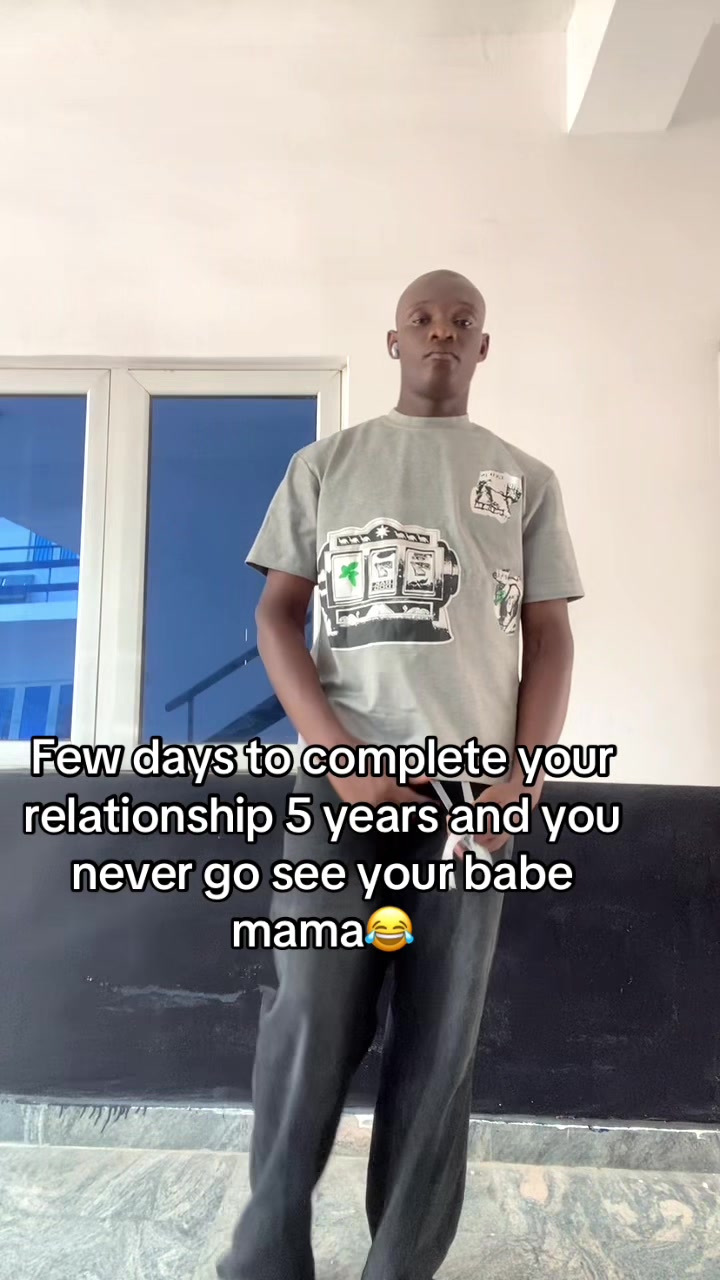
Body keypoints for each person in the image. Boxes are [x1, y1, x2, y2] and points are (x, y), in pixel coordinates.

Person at [216, 269, 584, 1280]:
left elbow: (550, 636)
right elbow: (275, 617)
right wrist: (339, 759)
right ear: (393, 340)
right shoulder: (327, 465)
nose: (441, 331)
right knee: (308, 1018)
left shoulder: (524, 479)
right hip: (341, 790)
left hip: (471, 797)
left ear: (483, 346)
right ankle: (264, 1257)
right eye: (423, 318)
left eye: (462, 321)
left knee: (440, 1039)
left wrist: (524, 774)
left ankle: (400, 1266)